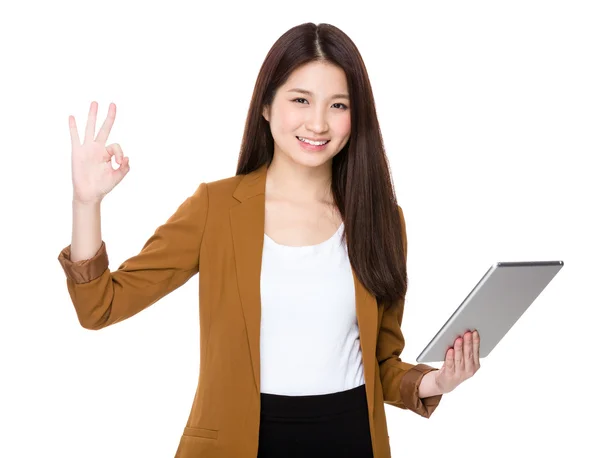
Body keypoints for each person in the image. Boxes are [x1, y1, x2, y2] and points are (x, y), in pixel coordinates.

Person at [58, 22, 480, 458]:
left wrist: (439, 380)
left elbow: (382, 365)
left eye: (338, 105)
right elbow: (99, 307)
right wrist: (86, 203)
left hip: (351, 437)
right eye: (301, 100)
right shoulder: (216, 209)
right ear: (266, 106)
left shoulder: (381, 221)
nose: (318, 123)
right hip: (243, 443)